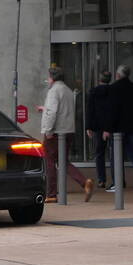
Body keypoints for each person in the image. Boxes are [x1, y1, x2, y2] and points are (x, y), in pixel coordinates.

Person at [37, 66, 94, 202]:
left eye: (48, 77)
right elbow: (62, 110)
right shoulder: (68, 90)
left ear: (52, 78)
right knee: (63, 161)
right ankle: (84, 182)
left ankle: (51, 194)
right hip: (68, 130)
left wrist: (48, 130)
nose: (48, 80)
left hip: (55, 132)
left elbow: (52, 112)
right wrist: (45, 109)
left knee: (49, 161)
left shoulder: (53, 91)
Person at [85, 70, 115, 188]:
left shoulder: (94, 92)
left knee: (99, 153)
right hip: (112, 126)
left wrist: (88, 127)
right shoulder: (114, 91)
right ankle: (117, 180)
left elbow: (90, 110)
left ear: (99, 79)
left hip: (98, 127)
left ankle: (101, 180)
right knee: (114, 153)